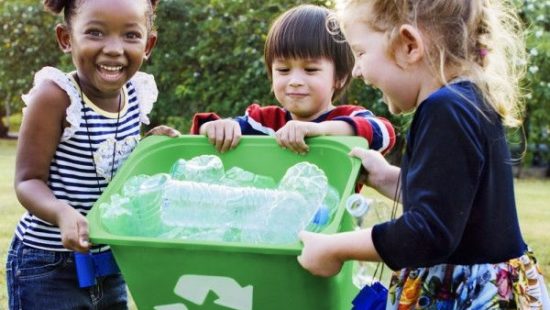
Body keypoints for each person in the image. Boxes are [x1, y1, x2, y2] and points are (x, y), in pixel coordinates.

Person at [298, 0, 550, 308]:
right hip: (494, 285)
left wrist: (334, 248)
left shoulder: (444, 108)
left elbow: (428, 232)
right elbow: (451, 203)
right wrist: (385, 177)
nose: (358, 70)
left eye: (361, 53)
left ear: (409, 46)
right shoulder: (468, 100)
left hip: (464, 295)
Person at [6, 0, 179, 309]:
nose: (114, 48)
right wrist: (61, 213)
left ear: (149, 43)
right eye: (95, 33)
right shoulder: (55, 97)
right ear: (66, 38)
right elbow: (27, 180)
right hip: (50, 265)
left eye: (130, 35)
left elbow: (112, 167)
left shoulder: (136, 95)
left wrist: (149, 148)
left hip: (109, 259)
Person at [191, 4, 395, 155]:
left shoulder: (348, 117)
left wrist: (319, 130)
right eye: (283, 70)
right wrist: (215, 128)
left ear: (340, 77)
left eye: (310, 69)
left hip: (334, 213)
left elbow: (384, 134)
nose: (295, 80)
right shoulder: (262, 123)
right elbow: (205, 136)